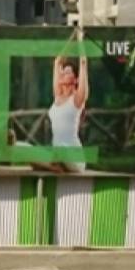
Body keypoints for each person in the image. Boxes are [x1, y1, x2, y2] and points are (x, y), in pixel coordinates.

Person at [48, 25, 90, 173]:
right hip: (58, 154)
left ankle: (55, 165)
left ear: (75, 79)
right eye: (62, 72)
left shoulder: (77, 99)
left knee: (60, 149)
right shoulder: (58, 95)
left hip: (74, 158)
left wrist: (80, 40)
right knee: (23, 148)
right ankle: (54, 166)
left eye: (67, 72)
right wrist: (72, 36)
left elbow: (83, 63)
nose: (62, 74)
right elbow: (57, 62)